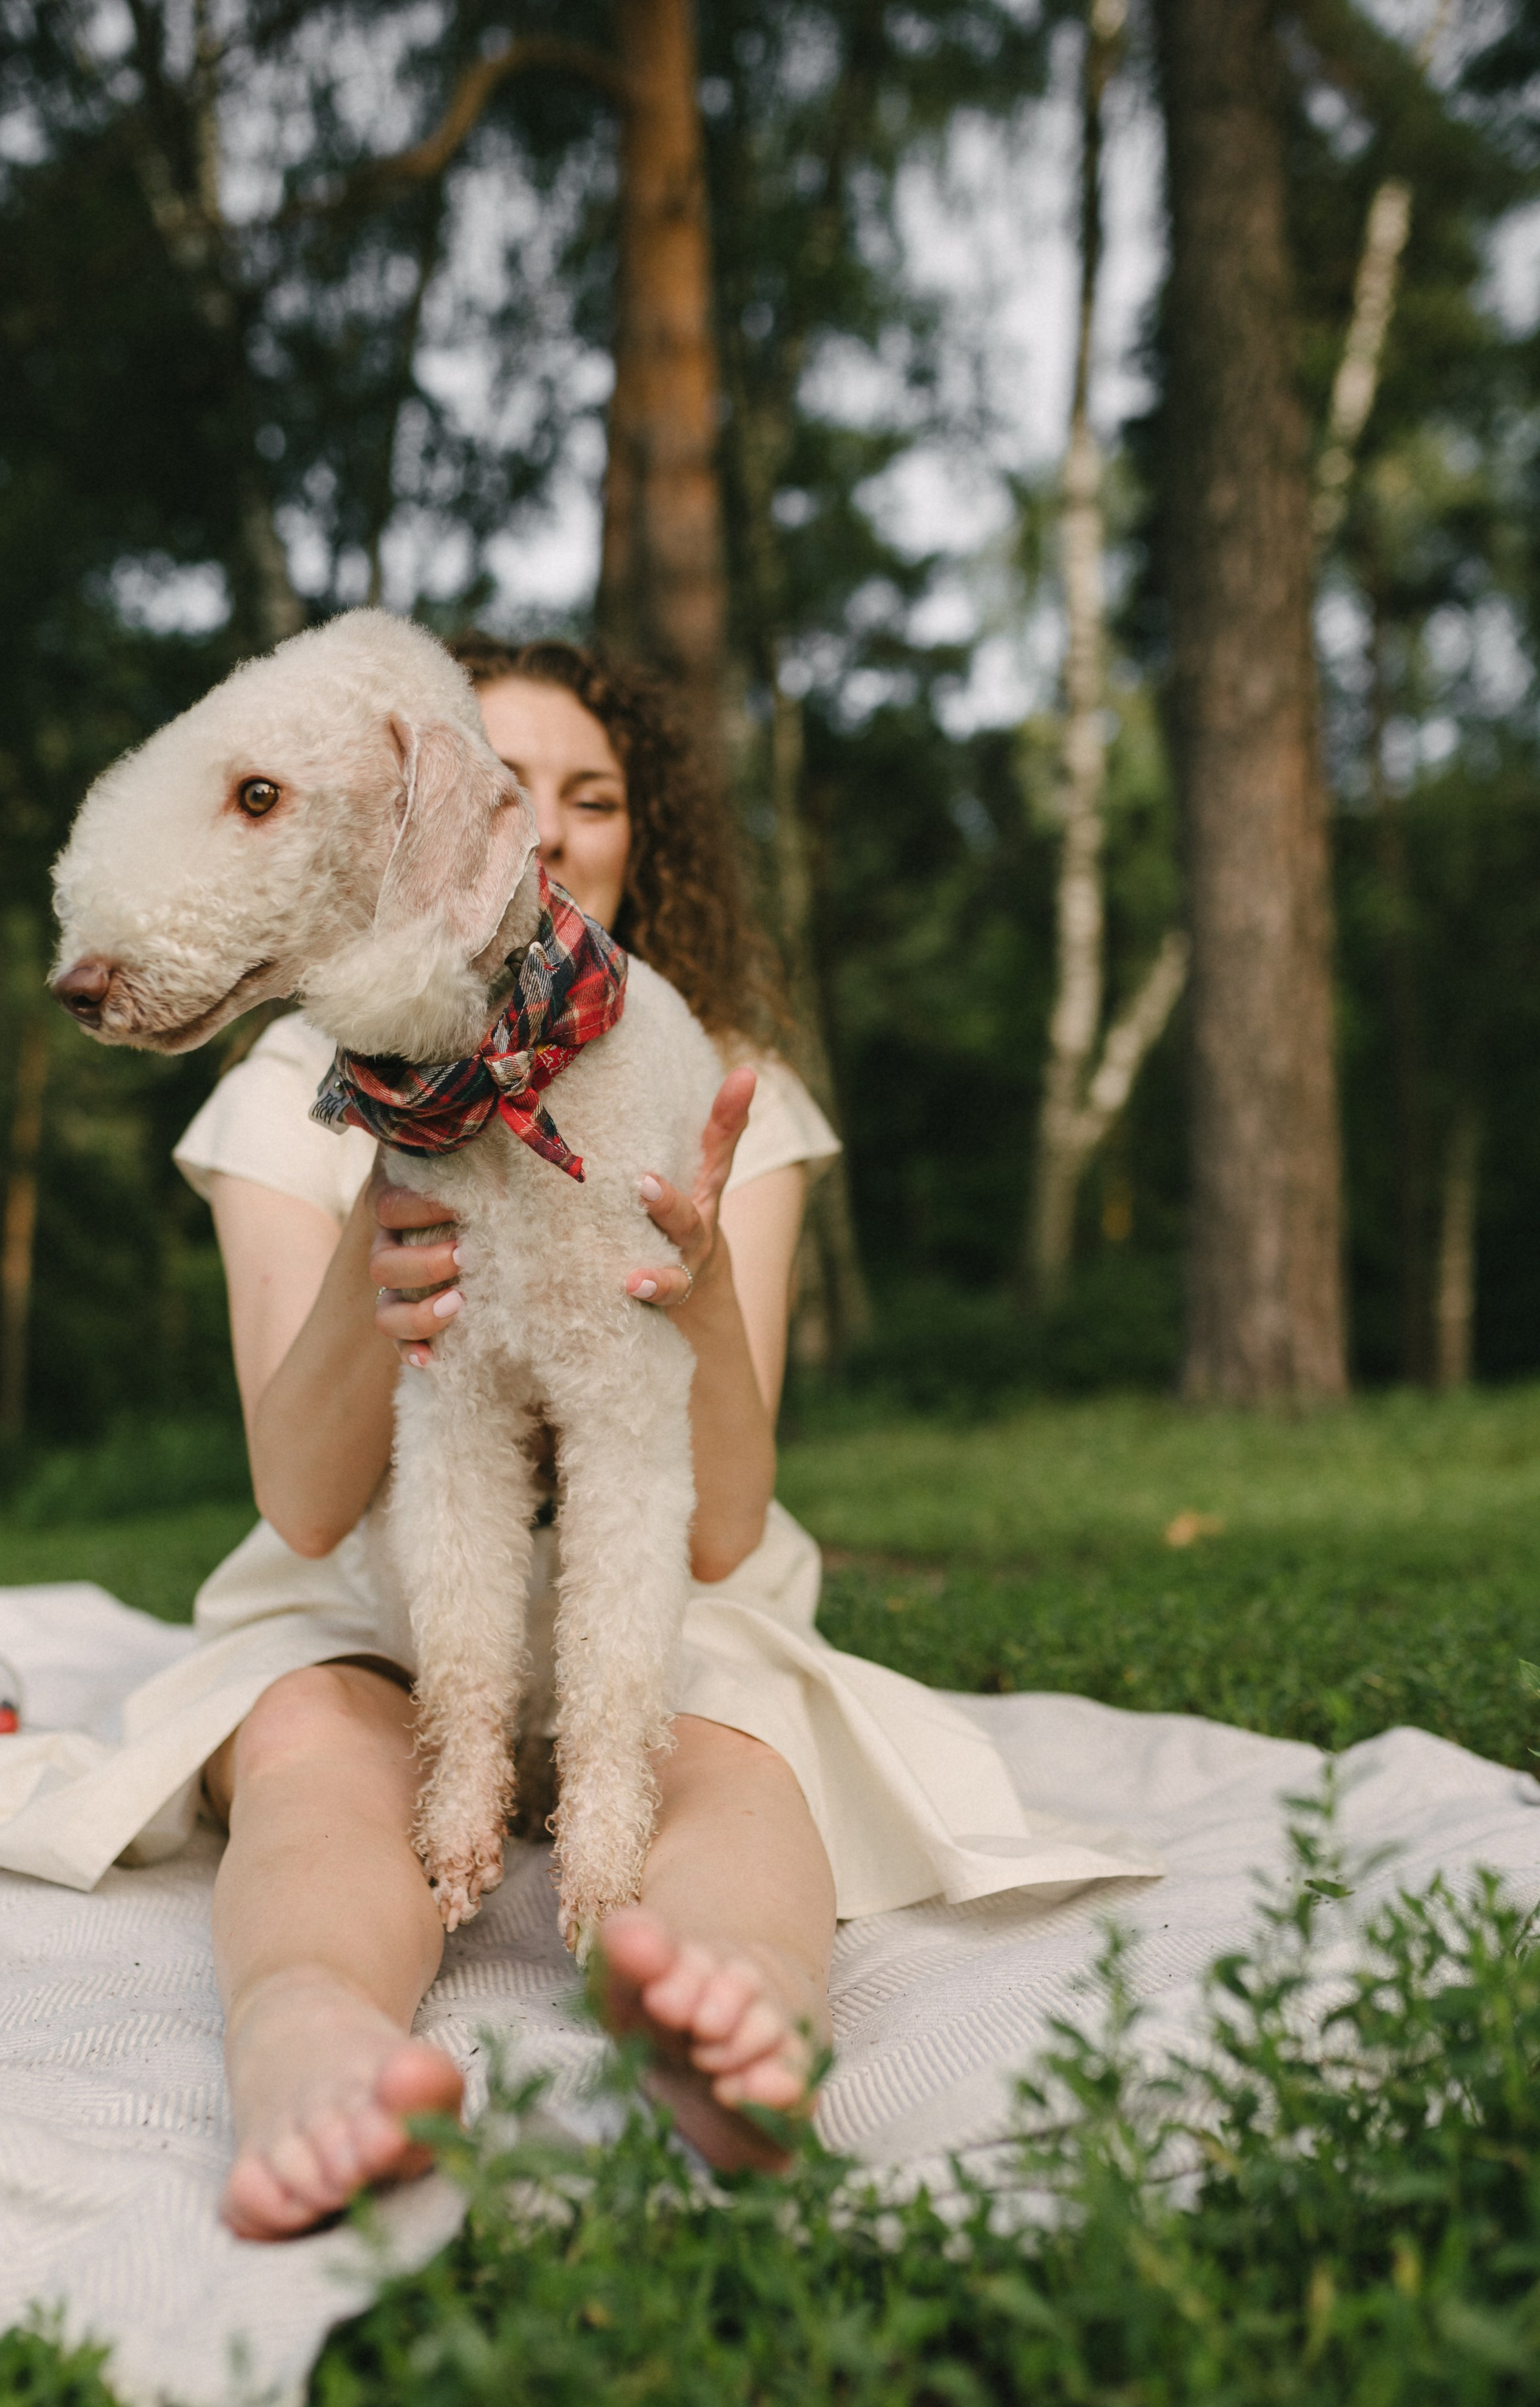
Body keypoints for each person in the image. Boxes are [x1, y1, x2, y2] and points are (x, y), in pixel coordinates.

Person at [172, 638, 1136, 2241]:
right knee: (311, 1759)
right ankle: (311, 2031)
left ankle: (733, 2011)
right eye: (497, 783)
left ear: (637, 843)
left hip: (663, 1605)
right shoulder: (296, 1090)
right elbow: (302, 1495)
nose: (538, 828)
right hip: (374, 1603)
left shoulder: (716, 1083)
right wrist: (372, 1243)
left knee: (736, 1755)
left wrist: (690, 1299)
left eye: (591, 797)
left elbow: (722, 1529)